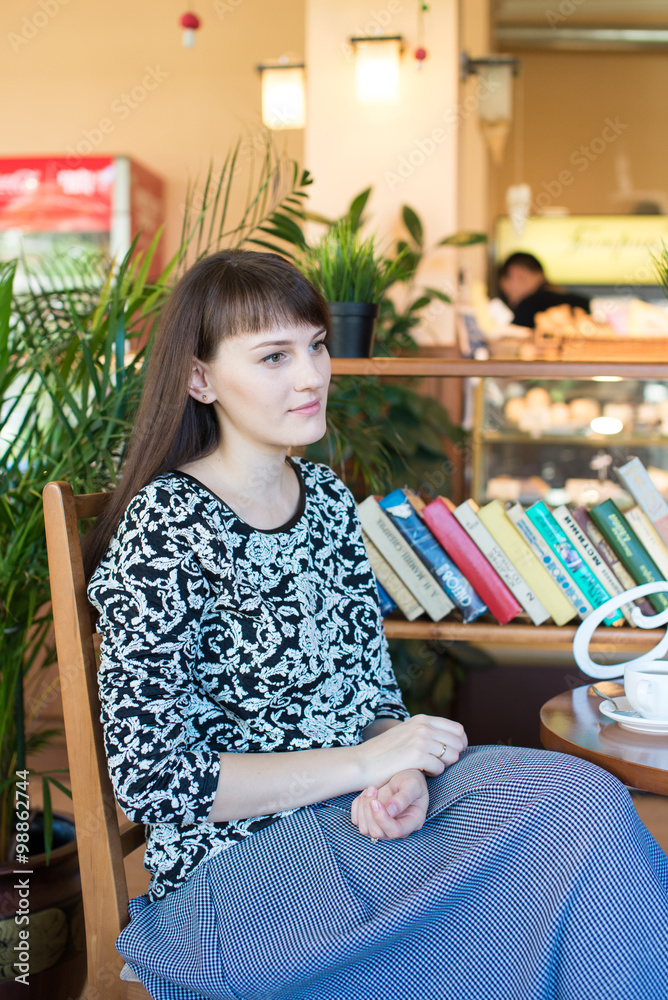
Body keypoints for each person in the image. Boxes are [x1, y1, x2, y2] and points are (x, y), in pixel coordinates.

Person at [85, 248, 668, 1000]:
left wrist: (398, 773)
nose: (311, 375)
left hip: (353, 819)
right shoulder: (167, 524)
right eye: (273, 356)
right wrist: (365, 765)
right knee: (548, 861)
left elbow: (369, 698)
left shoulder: (325, 499)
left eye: (317, 346)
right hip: (239, 874)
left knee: (580, 799)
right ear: (200, 379)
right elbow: (155, 782)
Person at [498, 251, 590, 328]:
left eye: (507, 292)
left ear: (516, 273)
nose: (510, 301)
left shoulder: (529, 306)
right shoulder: (582, 301)